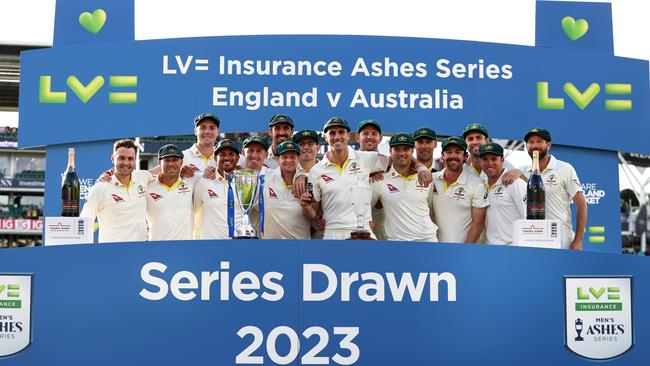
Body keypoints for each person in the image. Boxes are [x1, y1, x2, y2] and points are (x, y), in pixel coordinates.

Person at [303, 117, 431, 240]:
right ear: (326, 137)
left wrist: (421, 167)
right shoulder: (316, 170)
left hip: (363, 232)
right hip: (333, 232)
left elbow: (399, 156)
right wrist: (307, 207)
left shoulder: (365, 158)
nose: (337, 137)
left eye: (341, 132)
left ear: (348, 136)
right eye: (332, 133)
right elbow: (313, 214)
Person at [521, 128, 587, 250]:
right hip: (531, 238)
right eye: (530, 142)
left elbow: (582, 204)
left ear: (549, 144)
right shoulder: (522, 171)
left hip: (560, 240)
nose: (535, 145)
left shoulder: (565, 168)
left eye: (539, 141)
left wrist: (578, 240)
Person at [80, 139, 153, 243]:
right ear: (113, 159)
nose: (126, 163)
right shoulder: (100, 188)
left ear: (135, 160)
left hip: (141, 252)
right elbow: (84, 223)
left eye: (130, 158)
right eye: (121, 158)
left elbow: (165, 170)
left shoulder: (142, 177)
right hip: (111, 254)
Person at [378, 133, 438, 242]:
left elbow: (430, 206)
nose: (401, 153)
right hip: (396, 241)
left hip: (427, 239)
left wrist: (420, 167)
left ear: (412, 151)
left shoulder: (425, 176)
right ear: (390, 151)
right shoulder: (381, 179)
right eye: (397, 149)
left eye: (406, 149)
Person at [430, 136, 488, 243]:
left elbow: (478, 224)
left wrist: (464, 250)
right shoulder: (432, 179)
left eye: (458, 152)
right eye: (448, 152)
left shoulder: (477, 184)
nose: (453, 156)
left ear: (465, 156)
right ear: (442, 155)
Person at [146, 144, 199, 241]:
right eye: (167, 160)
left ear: (181, 162)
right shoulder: (147, 186)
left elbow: (214, 175)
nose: (171, 164)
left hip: (185, 248)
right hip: (157, 248)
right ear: (159, 162)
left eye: (175, 160)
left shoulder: (192, 182)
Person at [193, 139, 242, 240]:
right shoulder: (204, 182)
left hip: (239, 247)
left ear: (237, 158)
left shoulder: (246, 183)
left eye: (231, 154)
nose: (227, 157)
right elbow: (195, 211)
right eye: (222, 154)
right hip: (211, 247)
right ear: (215, 158)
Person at [479, 142, 526, 245]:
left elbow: (530, 219)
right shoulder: (480, 184)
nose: (489, 163)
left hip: (512, 248)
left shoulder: (515, 183)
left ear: (502, 160)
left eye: (494, 159)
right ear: (480, 161)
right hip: (489, 249)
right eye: (485, 159)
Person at [263, 141, 311, 239]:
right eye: (284, 157)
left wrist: (306, 207)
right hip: (271, 246)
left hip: (300, 247)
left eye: (292, 157)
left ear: (298, 159)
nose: (288, 160)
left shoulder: (308, 181)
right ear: (277, 159)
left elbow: (314, 215)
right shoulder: (265, 180)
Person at [356, 119, 387, 240]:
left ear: (380, 138)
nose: (370, 137)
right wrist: (365, 175)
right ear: (358, 137)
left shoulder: (388, 162)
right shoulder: (348, 161)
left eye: (374, 133)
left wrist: (420, 167)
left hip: (385, 230)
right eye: (365, 133)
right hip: (355, 229)